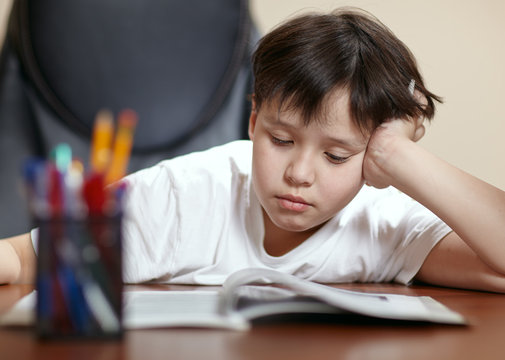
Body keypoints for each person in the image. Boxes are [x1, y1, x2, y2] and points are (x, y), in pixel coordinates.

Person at [1, 8, 505, 292]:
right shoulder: (182, 198)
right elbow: (23, 261)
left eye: (336, 156)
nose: (299, 173)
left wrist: (401, 156)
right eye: (280, 140)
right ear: (253, 121)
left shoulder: (382, 220)